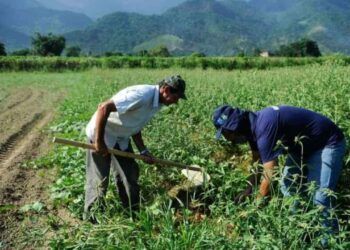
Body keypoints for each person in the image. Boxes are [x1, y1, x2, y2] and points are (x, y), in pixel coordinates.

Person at [212, 105, 346, 234]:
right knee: (288, 185)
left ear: (236, 125)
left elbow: (269, 175)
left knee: (320, 198)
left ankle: (327, 240)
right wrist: (249, 188)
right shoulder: (251, 129)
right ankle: (298, 228)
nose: (228, 139)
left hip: (327, 143)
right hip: (300, 146)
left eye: (227, 133)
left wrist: (255, 208)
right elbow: (257, 161)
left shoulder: (264, 127)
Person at [84, 75, 186, 219]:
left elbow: (136, 125)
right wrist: (98, 142)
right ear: (166, 89)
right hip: (102, 134)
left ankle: (132, 214)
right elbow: (103, 107)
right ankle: (91, 219)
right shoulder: (142, 95)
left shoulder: (157, 103)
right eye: (176, 97)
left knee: (129, 175)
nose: (176, 102)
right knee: (99, 181)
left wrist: (143, 150)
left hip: (121, 138)